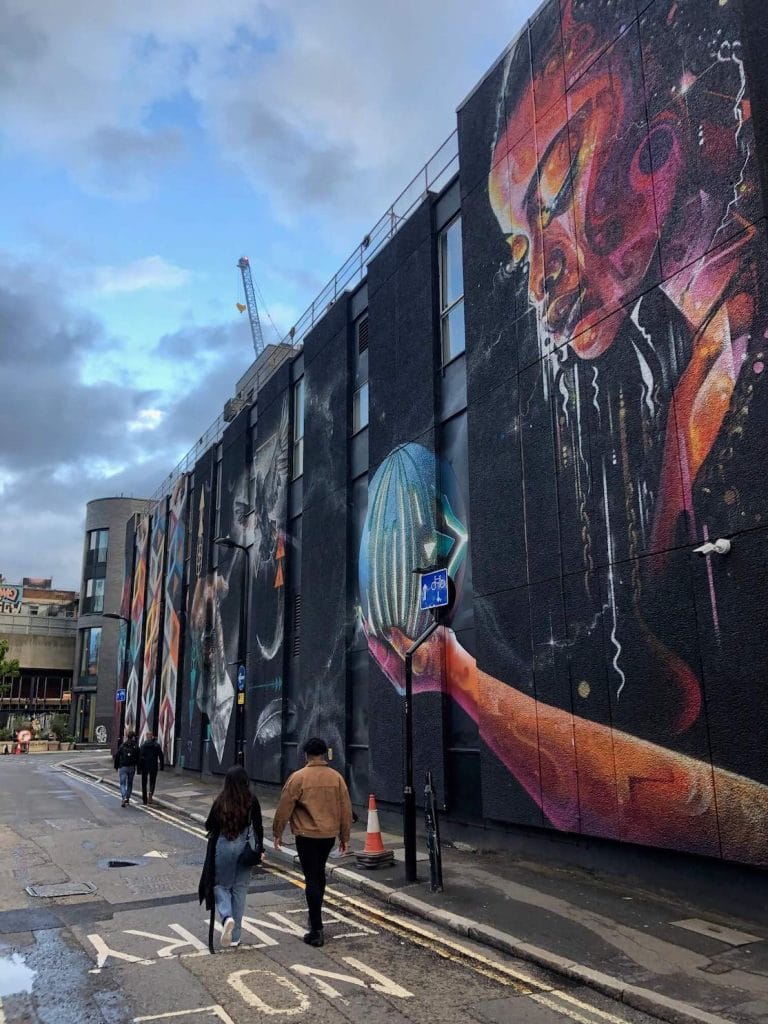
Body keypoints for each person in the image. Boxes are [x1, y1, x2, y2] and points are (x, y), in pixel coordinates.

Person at [272, 737, 353, 948]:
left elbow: (284, 807)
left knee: (312, 878)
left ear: (306, 754)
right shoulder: (336, 778)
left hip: (306, 836)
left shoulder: (298, 778)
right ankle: (315, 915)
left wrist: (277, 832)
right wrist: (344, 838)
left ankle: (316, 929)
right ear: (324, 754)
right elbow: (346, 810)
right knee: (319, 873)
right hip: (327, 836)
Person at [202, 765, 263, 949]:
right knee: (240, 890)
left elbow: (209, 825)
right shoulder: (252, 800)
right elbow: (258, 826)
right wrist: (260, 849)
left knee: (221, 885)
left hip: (224, 846)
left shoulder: (221, 800)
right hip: (245, 847)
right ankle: (235, 937)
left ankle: (227, 917)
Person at [114, 730, 140, 807]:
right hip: (132, 767)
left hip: (123, 767)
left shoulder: (122, 745)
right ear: (133, 738)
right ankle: (127, 798)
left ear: (127, 737)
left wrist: (116, 767)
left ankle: (123, 797)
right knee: (130, 783)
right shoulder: (136, 747)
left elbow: (117, 756)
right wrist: (138, 768)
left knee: (122, 784)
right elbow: (139, 758)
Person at [139, 731, 165, 806]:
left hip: (145, 766)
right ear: (152, 736)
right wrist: (162, 766)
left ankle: (144, 800)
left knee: (144, 783)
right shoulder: (156, 745)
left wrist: (139, 768)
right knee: (152, 781)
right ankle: (150, 792)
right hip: (154, 765)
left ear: (147, 737)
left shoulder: (143, 745)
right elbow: (161, 756)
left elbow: (140, 757)